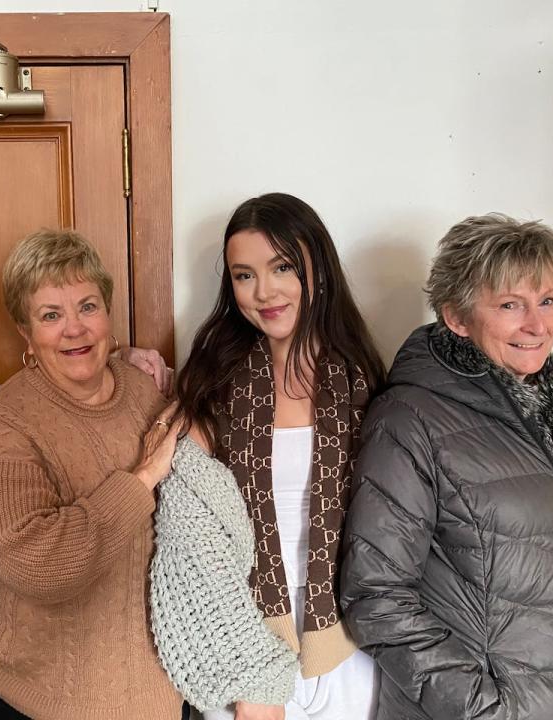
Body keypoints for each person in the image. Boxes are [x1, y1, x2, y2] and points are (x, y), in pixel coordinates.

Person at [340, 213, 553, 720]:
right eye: (511, 305)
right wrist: (486, 711)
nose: (537, 324)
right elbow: (376, 597)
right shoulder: (410, 418)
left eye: (547, 301)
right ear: (457, 318)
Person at [151, 193, 385, 720]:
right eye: (243, 275)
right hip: (246, 638)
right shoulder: (215, 381)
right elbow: (192, 526)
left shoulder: (364, 382)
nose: (265, 291)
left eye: (282, 267)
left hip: (348, 641)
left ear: (316, 268)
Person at [0, 228, 183, 720]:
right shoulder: (2, 426)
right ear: (26, 333)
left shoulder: (147, 391)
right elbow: (43, 565)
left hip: (163, 688)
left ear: (108, 313)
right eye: (50, 315)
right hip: (43, 699)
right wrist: (143, 479)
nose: (74, 329)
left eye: (87, 306)